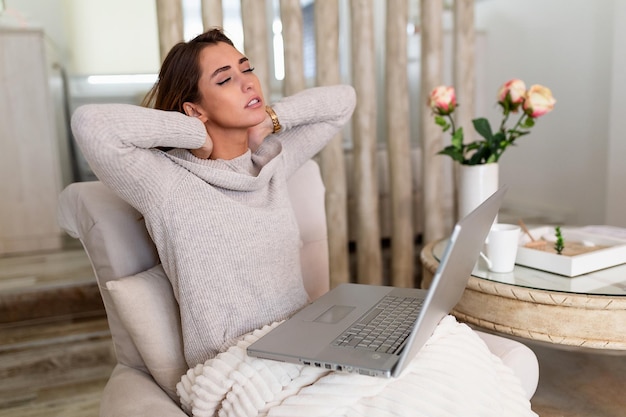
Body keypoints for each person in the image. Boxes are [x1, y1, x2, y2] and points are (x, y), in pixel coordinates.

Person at [71, 28, 356, 368]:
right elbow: (91, 124)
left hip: (304, 346)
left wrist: (272, 119)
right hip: (236, 367)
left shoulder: (270, 163)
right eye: (224, 80)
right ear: (195, 108)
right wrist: (196, 134)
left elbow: (344, 100)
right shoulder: (168, 183)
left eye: (246, 69)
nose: (248, 83)